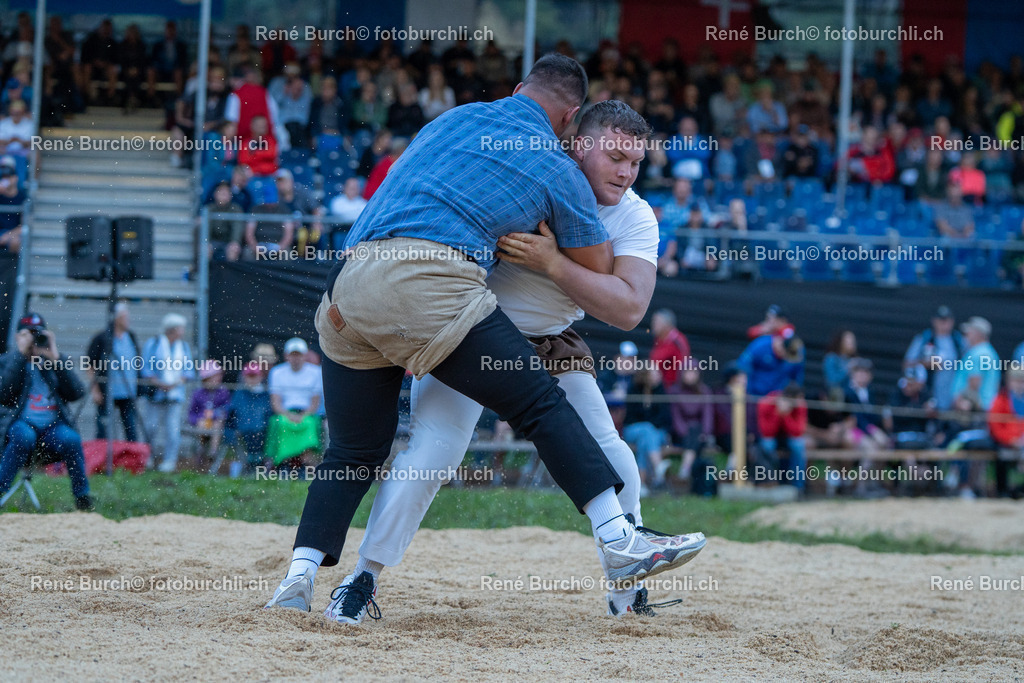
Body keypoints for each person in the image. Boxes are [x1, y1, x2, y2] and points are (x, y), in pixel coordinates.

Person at [266, 57, 703, 619]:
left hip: (514, 327)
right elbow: (595, 265)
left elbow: (629, 308)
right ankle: (362, 578)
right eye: (615, 156)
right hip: (461, 319)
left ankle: (627, 592)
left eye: (637, 162)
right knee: (432, 453)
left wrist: (552, 262)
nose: (626, 172)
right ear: (574, 135)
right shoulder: (552, 169)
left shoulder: (624, 209)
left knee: (612, 449)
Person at [0, 314, 92, 510]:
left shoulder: (54, 360)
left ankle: (82, 497)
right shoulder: (8, 361)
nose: (34, 339)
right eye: (28, 334)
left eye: (38, 334)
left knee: (71, 439)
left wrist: (55, 358)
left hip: (52, 428)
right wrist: (20, 354)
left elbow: (77, 393)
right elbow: (3, 394)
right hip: (20, 425)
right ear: (18, 336)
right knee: (23, 436)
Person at [140, 314, 195, 473]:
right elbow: (146, 368)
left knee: (173, 429)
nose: (182, 331)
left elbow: (189, 371)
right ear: (172, 329)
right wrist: (159, 383)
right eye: (180, 328)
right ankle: (147, 457)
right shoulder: (154, 343)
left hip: (175, 395)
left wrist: (175, 384)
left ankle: (169, 460)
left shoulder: (183, 347)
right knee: (151, 427)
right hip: (155, 395)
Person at [85, 302, 141, 442]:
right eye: (125, 317)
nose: (128, 321)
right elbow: (90, 364)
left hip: (128, 392)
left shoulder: (131, 337)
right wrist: (95, 390)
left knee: (130, 428)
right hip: (107, 392)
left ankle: (132, 459)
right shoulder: (102, 338)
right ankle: (101, 459)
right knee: (103, 428)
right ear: (116, 318)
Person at [265, 338, 322, 468]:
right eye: (293, 354)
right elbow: (276, 402)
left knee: (309, 423)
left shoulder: (315, 372)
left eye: (299, 354)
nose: (296, 358)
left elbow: (315, 403)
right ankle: (282, 461)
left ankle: (305, 462)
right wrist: (288, 415)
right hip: (285, 413)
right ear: (286, 356)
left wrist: (302, 415)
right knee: (280, 423)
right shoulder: (277, 372)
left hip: (306, 414)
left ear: (305, 356)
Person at [904, 306, 965, 411]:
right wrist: (927, 364)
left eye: (947, 320)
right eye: (941, 320)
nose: (944, 324)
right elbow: (907, 364)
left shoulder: (958, 341)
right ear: (934, 321)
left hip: (953, 397)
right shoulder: (924, 338)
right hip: (929, 396)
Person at [756, 384, 808, 491]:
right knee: (767, 446)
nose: (800, 401)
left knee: (798, 446)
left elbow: (797, 432)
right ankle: (769, 482)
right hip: (771, 436)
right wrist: (777, 413)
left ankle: (798, 488)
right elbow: (767, 432)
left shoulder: (800, 405)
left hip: (789, 436)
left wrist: (786, 416)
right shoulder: (766, 403)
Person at [228, 360, 273, 475]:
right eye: (249, 376)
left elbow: (269, 413)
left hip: (262, 431)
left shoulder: (265, 395)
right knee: (248, 434)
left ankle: (258, 464)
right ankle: (250, 464)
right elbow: (231, 414)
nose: (252, 379)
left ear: (260, 377)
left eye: (254, 376)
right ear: (244, 377)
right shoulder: (239, 394)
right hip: (243, 430)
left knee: (260, 433)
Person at [187, 361, 231, 471]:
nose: (217, 379)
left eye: (218, 376)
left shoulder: (223, 392)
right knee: (202, 423)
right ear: (206, 379)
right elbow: (191, 414)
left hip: (217, 425)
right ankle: (201, 449)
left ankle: (213, 452)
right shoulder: (198, 393)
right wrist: (200, 418)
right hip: (202, 426)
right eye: (213, 377)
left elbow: (228, 409)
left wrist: (216, 414)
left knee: (217, 424)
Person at [737, 328, 805, 399]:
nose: (785, 358)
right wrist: (745, 389)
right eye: (785, 354)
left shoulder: (794, 357)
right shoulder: (761, 345)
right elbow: (742, 367)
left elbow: (797, 379)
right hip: (755, 396)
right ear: (780, 343)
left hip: (777, 401)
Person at [987, 368, 1024, 498]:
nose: (1019, 385)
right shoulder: (1000, 400)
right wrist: (1011, 440)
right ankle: (1002, 491)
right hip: (1004, 441)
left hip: (1021, 442)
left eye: (1022, 381)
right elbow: (995, 427)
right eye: (1016, 381)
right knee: (1002, 455)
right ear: (1008, 382)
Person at [648, 309, 691, 390]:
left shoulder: (676, 341)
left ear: (667, 325)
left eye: (656, 322)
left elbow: (656, 361)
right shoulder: (660, 339)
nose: (653, 325)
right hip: (660, 387)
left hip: (672, 390)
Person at [0, 154, 25, 253]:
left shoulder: (22, 197)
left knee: (16, 242)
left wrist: (7, 235)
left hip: (13, 233)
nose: (6, 180)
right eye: (3, 177)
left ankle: (11, 268)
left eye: (9, 176)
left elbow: (25, 225)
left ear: (15, 178)